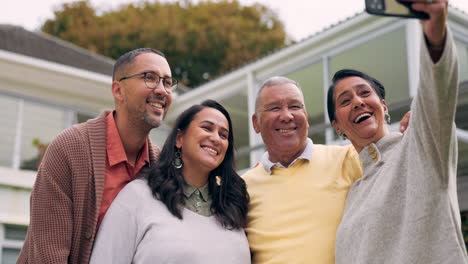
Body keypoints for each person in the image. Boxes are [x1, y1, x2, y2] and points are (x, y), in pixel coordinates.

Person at [327, 0, 468, 262]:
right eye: (345, 101)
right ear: (338, 127)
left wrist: (434, 34)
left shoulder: (421, 147)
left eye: (364, 93)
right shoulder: (353, 194)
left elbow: (436, 95)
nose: (357, 102)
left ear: (383, 106)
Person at [17, 48, 176, 264]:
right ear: (118, 90)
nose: (162, 90)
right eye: (150, 78)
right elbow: (48, 255)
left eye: (167, 82)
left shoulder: (161, 167)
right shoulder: (70, 149)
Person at [89, 99, 250, 264]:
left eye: (223, 135)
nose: (216, 138)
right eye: (206, 128)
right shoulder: (137, 197)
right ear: (179, 138)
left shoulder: (232, 207)